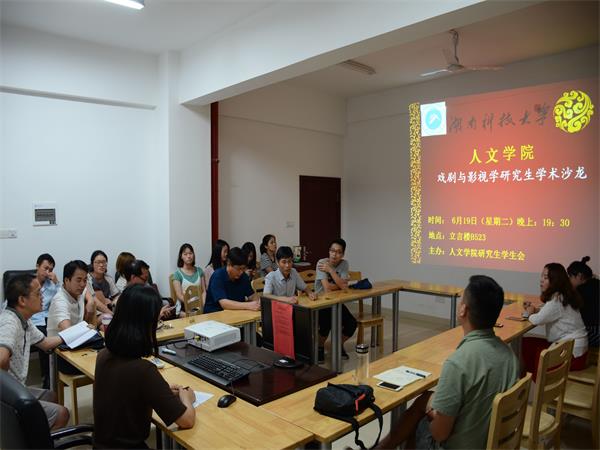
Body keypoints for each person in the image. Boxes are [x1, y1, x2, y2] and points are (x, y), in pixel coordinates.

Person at [375, 275, 519, 450]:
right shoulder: (510, 356)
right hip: (492, 442)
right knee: (425, 400)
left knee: (419, 424)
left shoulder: (457, 363)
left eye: (461, 299)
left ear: (463, 310)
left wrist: (432, 413)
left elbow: (439, 434)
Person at [93, 284, 195, 448]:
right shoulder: (143, 370)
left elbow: (127, 391)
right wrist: (186, 398)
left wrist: (162, 391)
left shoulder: (103, 355)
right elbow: (187, 420)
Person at [0, 274, 70, 430]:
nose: (42, 297)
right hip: (9, 395)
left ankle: (33, 431)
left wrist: (71, 335)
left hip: (17, 387)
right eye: (38, 293)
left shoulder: (25, 320)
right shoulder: (10, 322)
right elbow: (1, 359)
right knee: (62, 414)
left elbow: (45, 343)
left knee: (50, 396)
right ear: (22, 300)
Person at [522, 262, 588, 379]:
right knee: (527, 343)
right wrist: (536, 310)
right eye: (542, 276)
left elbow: (538, 320)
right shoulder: (563, 295)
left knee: (530, 348)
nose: (541, 280)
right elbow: (551, 312)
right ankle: (533, 379)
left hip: (572, 354)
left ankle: (537, 382)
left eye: (546, 277)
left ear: (555, 281)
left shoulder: (557, 299)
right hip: (578, 350)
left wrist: (529, 314)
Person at [47, 260, 97, 374]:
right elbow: (68, 332)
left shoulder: (78, 291)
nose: (82, 284)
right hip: (61, 354)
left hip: (78, 346)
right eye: (78, 280)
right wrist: (87, 328)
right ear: (66, 280)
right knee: (102, 364)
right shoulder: (60, 301)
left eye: (85, 280)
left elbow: (87, 292)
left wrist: (90, 301)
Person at [314, 238, 356, 362]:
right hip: (321, 302)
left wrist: (331, 271)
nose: (334, 254)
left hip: (336, 302)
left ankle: (337, 344)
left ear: (342, 254)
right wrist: (340, 284)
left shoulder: (344, 264)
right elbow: (327, 288)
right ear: (329, 251)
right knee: (326, 323)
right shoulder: (322, 263)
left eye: (338, 252)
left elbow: (344, 287)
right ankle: (320, 347)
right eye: (332, 251)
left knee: (351, 324)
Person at [30, 253, 60, 389]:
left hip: (48, 319)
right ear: (37, 266)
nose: (48, 272)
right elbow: (9, 304)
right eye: (45, 268)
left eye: (51, 270)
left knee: (58, 331)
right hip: (33, 320)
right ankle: (47, 379)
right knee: (44, 339)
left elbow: (62, 299)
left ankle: (54, 376)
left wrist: (57, 283)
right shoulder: (27, 283)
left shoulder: (52, 285)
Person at [203, 247, 260, 313]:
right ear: (229, 264)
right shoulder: (218, 276)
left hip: (235, 312)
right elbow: (224, 304)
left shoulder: (243, 276)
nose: (241, 272)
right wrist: (248, 305)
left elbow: (251, 296)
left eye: (243, 268)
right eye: (238, 269)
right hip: (214, 314)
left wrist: (258, 302)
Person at [567, 256, 599, 347]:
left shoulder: (580, 291)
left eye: (570, 276)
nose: (569, 280)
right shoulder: (596, 283)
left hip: (594, 331)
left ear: (579, 276)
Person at [172, 243, 206, 317]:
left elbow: (203, 291)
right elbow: (179, 295)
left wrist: (202, 304)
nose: (189, 256)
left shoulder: (199, 271)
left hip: (199, 305)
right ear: (181, 256)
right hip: (184, 307)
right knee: (192, 318)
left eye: (190, 253)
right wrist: (191, 304)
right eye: (185, 254)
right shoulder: (177, 274)